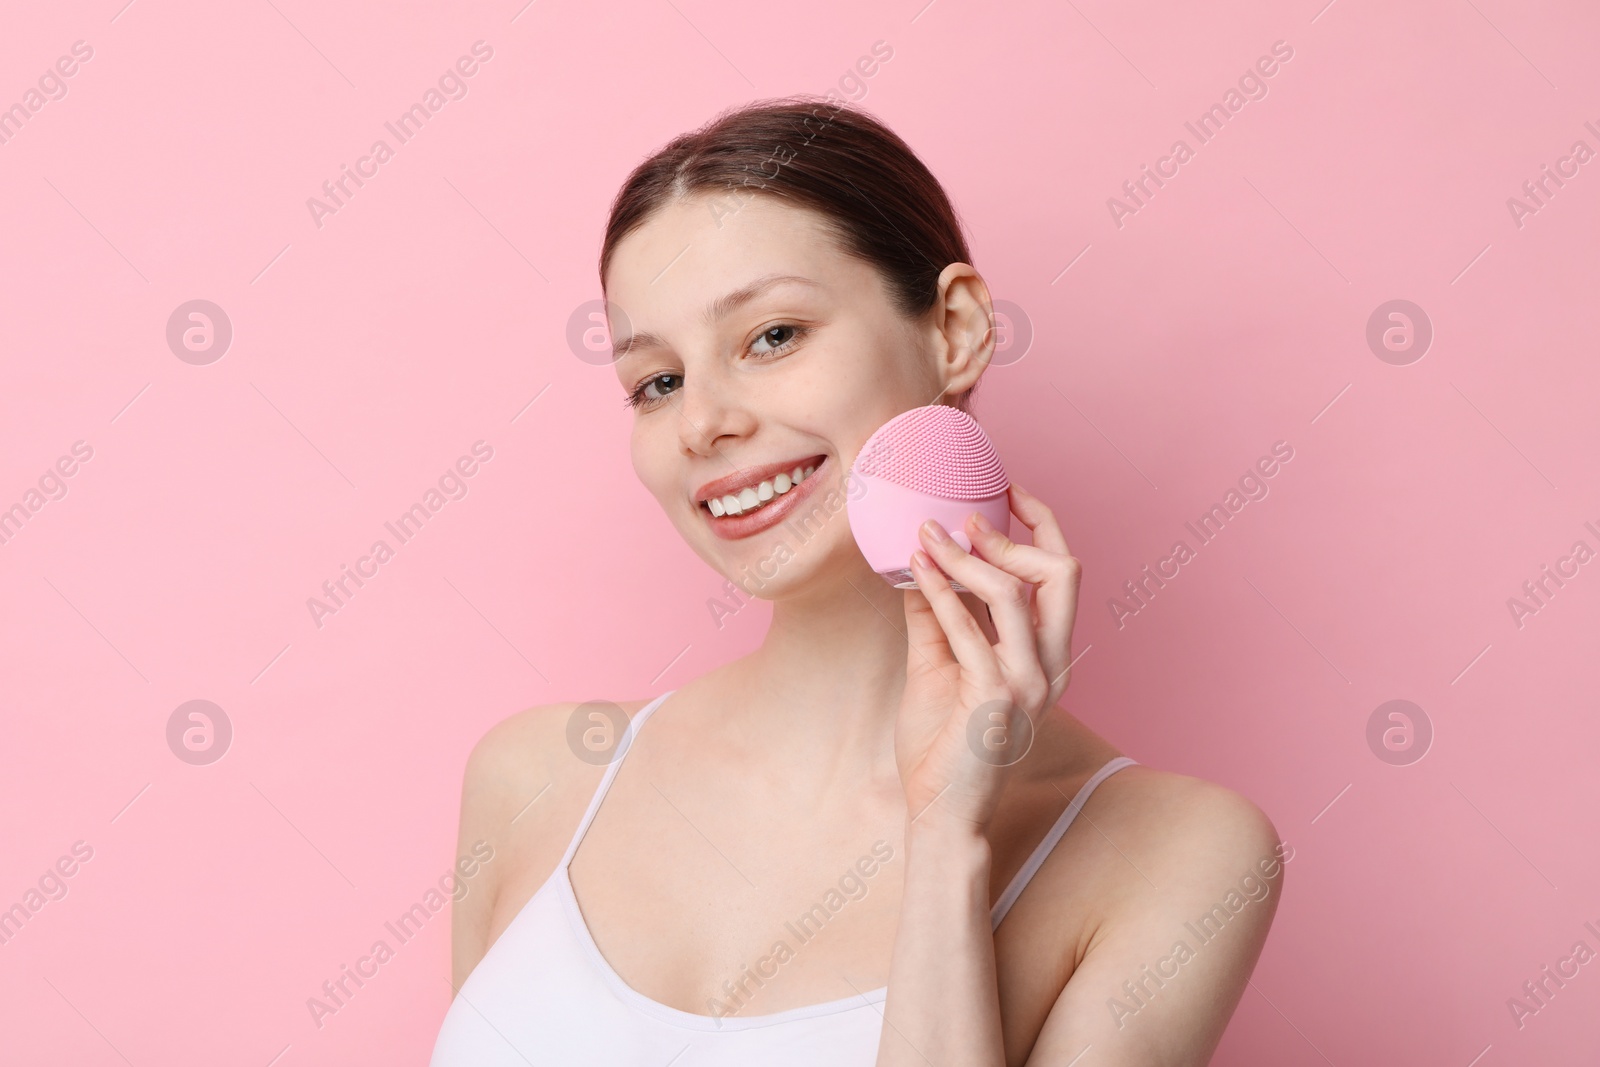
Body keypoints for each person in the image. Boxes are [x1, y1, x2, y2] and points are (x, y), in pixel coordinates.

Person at [430, 96, 1284, 1066]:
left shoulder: (1176, 855)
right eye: (656, 381)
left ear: (954, 328)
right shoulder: (536, 777)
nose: (702, 422)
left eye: (772, 334)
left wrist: (946, 837)